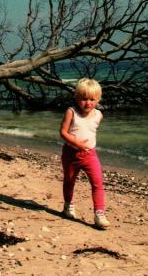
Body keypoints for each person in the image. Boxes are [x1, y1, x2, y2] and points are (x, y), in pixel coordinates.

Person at [59, 78, 110, 229]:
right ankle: (68, 206)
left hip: (90, 155)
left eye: (92, 99)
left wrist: (85, 146)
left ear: (98, 100)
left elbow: (90, 130)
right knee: (69, 181)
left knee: (97, 183)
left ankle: (99, 214)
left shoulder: (98, 115)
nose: (88, 103)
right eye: (84, 99)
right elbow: (63, 132)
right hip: (71, 154)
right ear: (76, 98)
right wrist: (77, 144)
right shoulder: (71, 112)